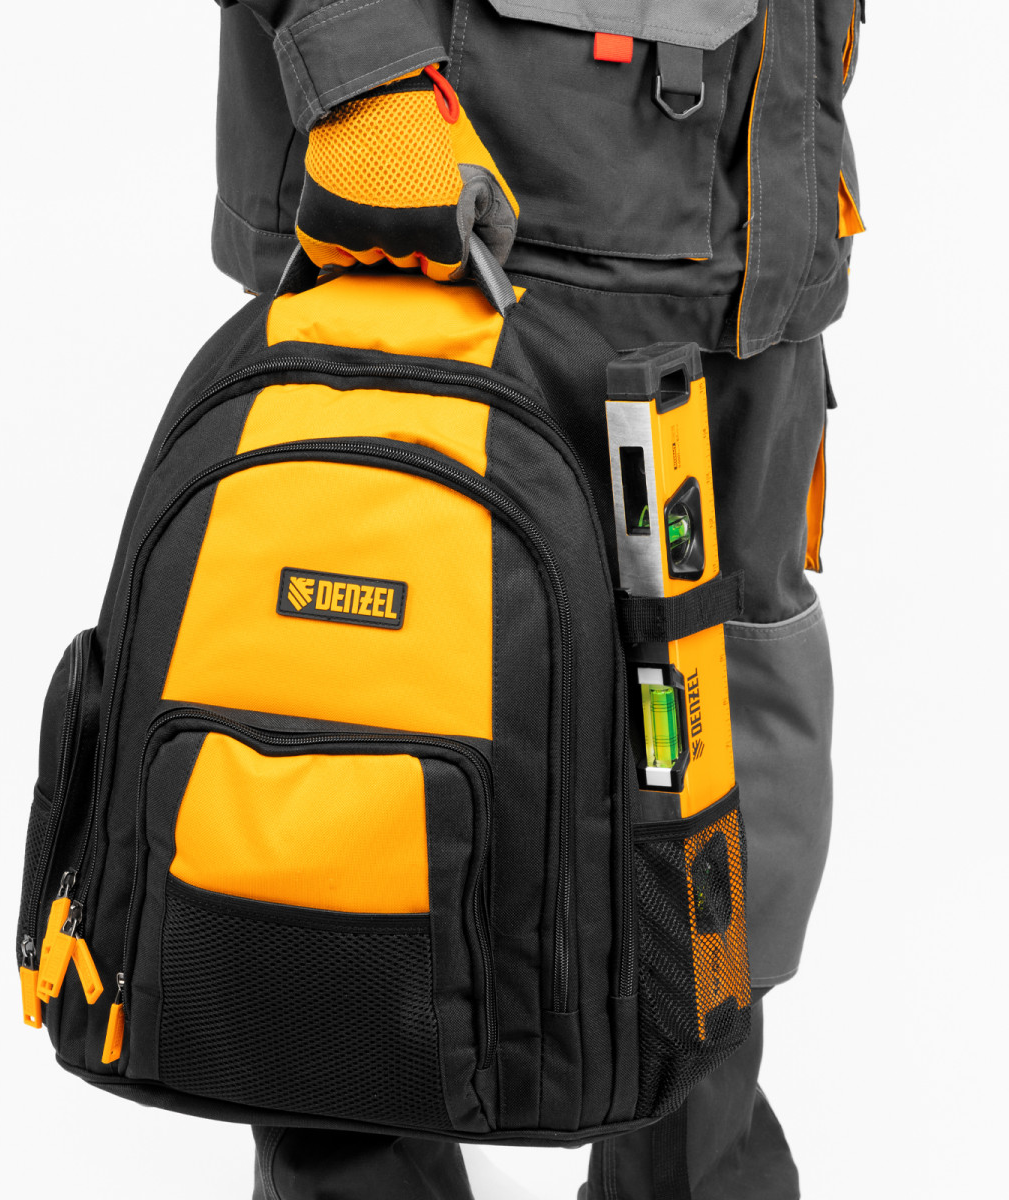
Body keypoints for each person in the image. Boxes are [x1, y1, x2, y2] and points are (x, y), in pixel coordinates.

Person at [209, 2, 860, 1195]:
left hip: (754, 235)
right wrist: (365, 80)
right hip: (462, 225)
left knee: (722, 808)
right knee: (367, 819)